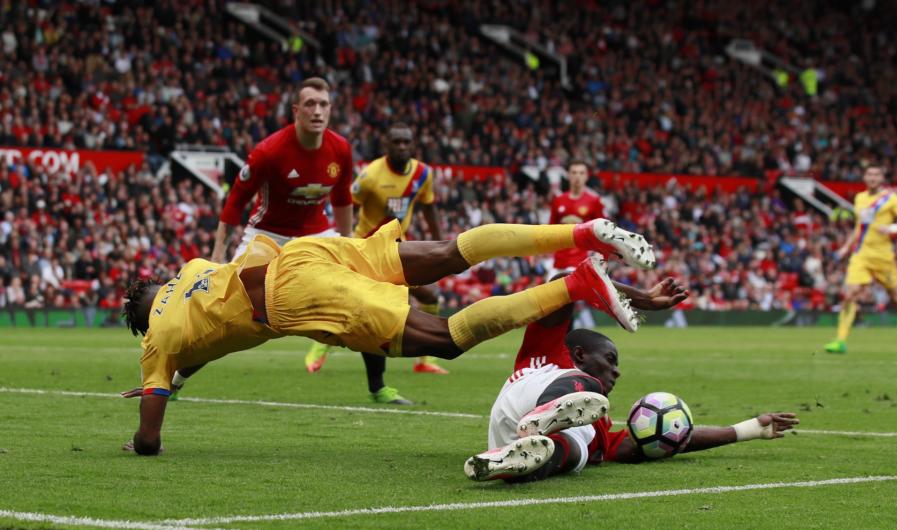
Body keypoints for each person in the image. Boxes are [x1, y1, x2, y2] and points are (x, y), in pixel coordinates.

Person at [121, 218, 656, 455]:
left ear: (142, 325)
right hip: (308, 252)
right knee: (447, 252)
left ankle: (575, 284)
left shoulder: (156, 341)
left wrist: (153, 400)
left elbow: (150, 436)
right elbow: (201, 340)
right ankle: (581, 235)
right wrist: (179, 373)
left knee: (445, 337)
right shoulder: (189, 270)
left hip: (294, 298)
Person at [465, 282, 799, 482]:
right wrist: (638, 298)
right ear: (580, 353)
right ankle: (544, 415)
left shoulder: (598, 423)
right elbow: (564, 284)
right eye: (610, 360)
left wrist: (750, 429)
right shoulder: (552, 351)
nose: (617, 372)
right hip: (531, 395)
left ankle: (512, 464)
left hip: (507, 439)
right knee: (589, 394)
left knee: (578, 452)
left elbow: (668, 438)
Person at [207, 76, 360, 388]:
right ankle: (178, 375)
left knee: (363, 286)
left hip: (317, 235)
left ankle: (366, 375)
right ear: (296, 110)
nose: (317, 111)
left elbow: (343, 199)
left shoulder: (341, 149)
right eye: (310, 104)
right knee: (223, 311)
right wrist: (217, 255)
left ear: (331, 110)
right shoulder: (269, 152)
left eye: (324, 105)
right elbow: (235, 202)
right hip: (267, 234)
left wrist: (349, 246)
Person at [306, 123, 448, 407]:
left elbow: (429, 208)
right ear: (386, 145)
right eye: (396, 142)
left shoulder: (423, 174)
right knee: (371, 314)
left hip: (397, 248)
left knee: (430, 295)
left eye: (406, 142)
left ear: (413, 144)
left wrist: (439, 245)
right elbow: (345, 201)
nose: (402, 147)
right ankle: (324, 342)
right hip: (366, 250)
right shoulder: (370, 175)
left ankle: (422, 362)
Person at [824, 165, 897, 354]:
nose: (872, 178)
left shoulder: (891, 199)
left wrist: (893, 228)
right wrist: (846, 248)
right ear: (864, 177)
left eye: (876, 174)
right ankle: (840, 341)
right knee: (850, 294)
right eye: (869, 174)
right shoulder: (860, 198)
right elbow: (859, 228)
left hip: (883, 257)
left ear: (882, 178)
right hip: (861, 255)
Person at [549, 160, 606, 330]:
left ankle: (569, 337)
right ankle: (558, 339)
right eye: (574, 173)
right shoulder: (559, 201)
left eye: (581, 173)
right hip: (558, 261)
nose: (577, 177)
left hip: (579, 260)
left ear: (587, 176)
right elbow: (549, 230)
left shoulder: (593, 201)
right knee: (551, 303)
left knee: (568, 302)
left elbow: (602, 231)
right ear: (568, 175)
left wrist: (601, 255)